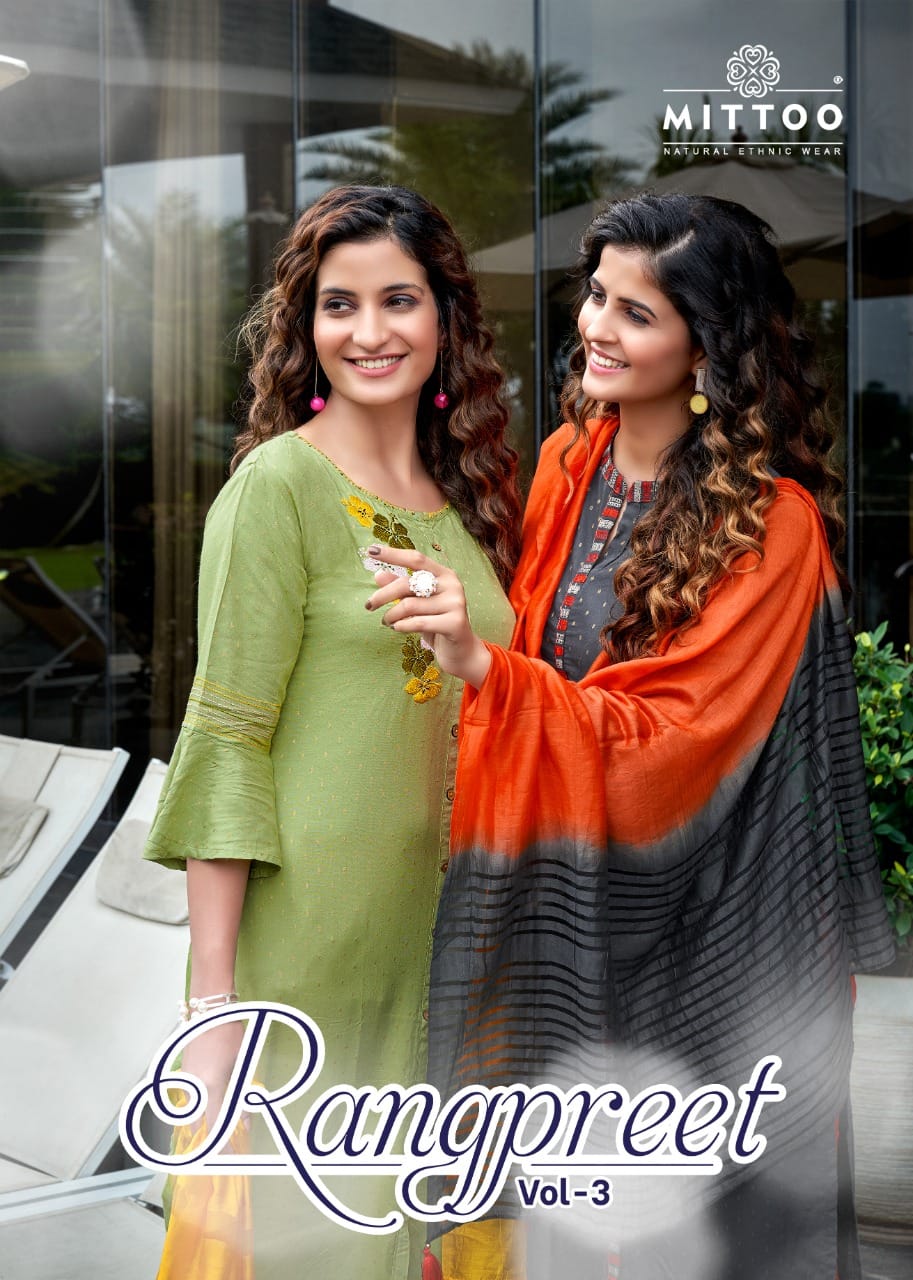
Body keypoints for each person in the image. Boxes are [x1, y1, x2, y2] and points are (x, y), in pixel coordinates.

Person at [365, 193, 895, 1280]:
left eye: (636, 313)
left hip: (716, 931)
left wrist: (486, 668)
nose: (596, 327)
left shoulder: (775, 525)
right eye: (595, 295)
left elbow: (677, 743)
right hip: (573, 902)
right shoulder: (571, 463)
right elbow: (544, 659)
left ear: (709, 348)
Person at [143, 184, 520, 1278]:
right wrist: (214, 1006)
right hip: (308, 951)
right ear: (305, 328)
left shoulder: (468, 502)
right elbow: (226, 741)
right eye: (338, 304)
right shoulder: (278, 487)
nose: (368, 331)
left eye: (397, 299)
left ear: (444, 316)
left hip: (448, 946)